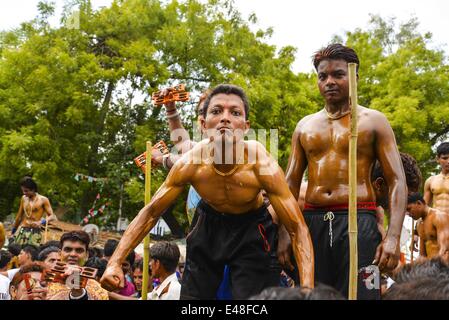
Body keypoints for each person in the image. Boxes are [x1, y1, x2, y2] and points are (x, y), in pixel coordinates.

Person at [101, 84, 314, 300]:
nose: (225, 118)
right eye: (216, 111)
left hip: (252, 227)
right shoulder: (190, 162)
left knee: (253, 303)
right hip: (208, 225)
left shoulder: (261, 163)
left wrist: (307, 291)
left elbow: (297, 227)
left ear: (246, 126)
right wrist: (115, 262)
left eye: (235, 112)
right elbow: (151, 212)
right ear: (203, 124)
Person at [285, 43, 407, 299]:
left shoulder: (374, 121)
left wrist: (393, 237)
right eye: (323, 76)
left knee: (361, 294)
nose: (329, 81)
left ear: (354, 77)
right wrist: (286, 232)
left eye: (338, 74)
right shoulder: (304, 126)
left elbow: (397, 180)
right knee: (311, 295)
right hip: (312, 223)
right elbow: (289, 185)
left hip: (359, 221)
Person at [46, 231, 108, 300]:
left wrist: (79, 293)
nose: (73, 254)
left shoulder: (98, 289)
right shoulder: (45, 280)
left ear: (86, 256)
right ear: (60, 254)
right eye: (68, 249)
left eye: (79, 250)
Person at [12, 177, 57, 246]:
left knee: (31, 253)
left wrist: (41, 222)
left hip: (35, 231)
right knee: (16, 251)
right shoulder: (23, 198)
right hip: (23, 228)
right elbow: (19, 216)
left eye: (26, 191)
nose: (24, 193)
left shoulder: (43, 200)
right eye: (23, 191)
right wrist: (14, 230)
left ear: (33, 189)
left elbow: (52, 216)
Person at [406, 192, 449, 262]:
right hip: (431, 267)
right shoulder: (419, 224)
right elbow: (422, 256)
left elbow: (445, 250)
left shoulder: (439, 217)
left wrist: (435, 269)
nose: (408, 214)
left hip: (443, 267)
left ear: (419, 203)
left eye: (409, 209)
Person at [424, 142, 449, 213]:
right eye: (445, 158)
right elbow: (425, 206)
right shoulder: (430, 181)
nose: (448, 161)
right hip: (436, 221)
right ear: (437, 159)